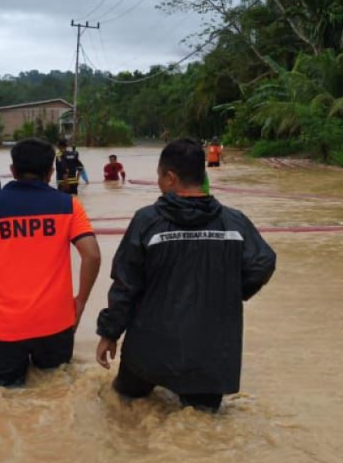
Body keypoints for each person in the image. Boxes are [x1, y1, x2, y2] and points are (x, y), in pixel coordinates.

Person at [95, 138, 276, 412]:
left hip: (149, 347)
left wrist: (109, 333)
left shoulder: (147, 221)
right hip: (211, 352)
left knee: (125, 408)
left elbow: (126, 284)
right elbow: (263, 262)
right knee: (201, 425)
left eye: (159, 176)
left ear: (170, 177)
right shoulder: (234, 221)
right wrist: (230, 292)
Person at [0, 138, 101, 387]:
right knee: (56, 389)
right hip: (56, 323)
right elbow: (92, 255)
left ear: (13, 170)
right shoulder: (68, 205)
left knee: (5, 397)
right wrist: (80, 302)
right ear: (50, 172)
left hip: (5, 327)